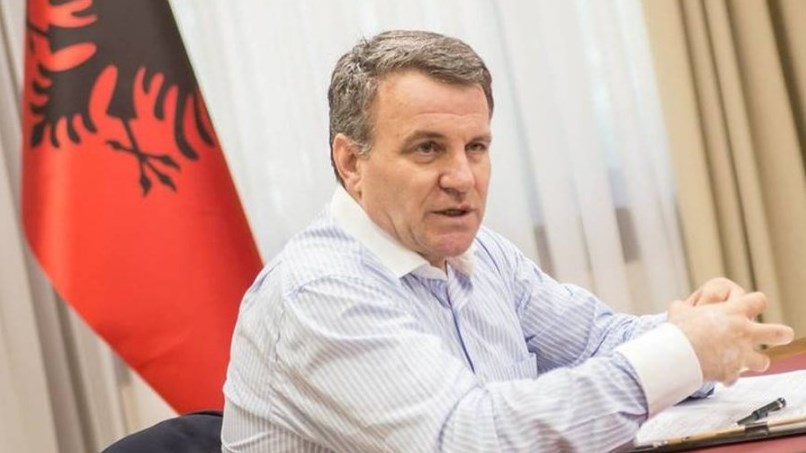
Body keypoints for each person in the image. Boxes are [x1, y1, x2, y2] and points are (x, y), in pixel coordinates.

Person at [221, 30, 794, 452]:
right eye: (427, 148)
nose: (462, 177)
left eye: (476, 147)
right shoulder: (317, 291)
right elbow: (469, 439)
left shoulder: (481, 254)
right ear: (351, 163)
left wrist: (695, 330)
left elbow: (597, 339)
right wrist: (681, 353)